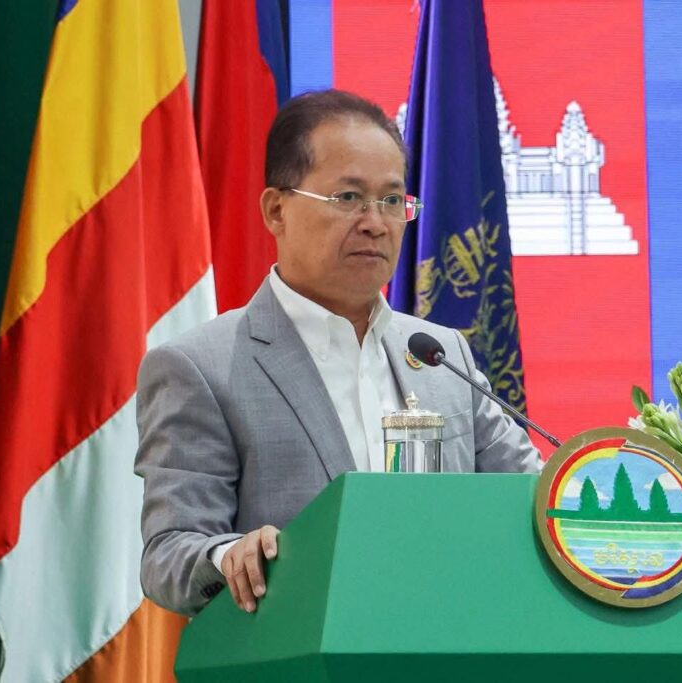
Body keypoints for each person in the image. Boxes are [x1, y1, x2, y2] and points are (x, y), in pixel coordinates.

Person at [135, 90, 541, 618]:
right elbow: (168, 553)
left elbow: (533, 499)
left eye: (392, 201)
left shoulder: (442, 356)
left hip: (445, 639)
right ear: (276, 210)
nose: (375, 222)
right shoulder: (201, 367)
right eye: (348, 198)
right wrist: (228, 555)